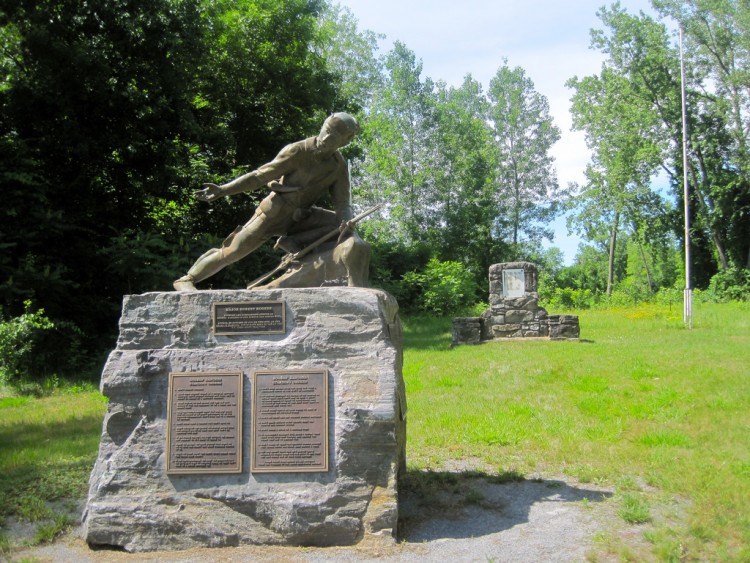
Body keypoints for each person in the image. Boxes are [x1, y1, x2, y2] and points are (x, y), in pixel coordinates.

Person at [173, 112, 360, 291]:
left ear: (345, 142)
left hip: (299, 218)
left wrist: (347, 221)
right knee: (233, 251)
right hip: (273, 212)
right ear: (322, 126)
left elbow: (342, 203)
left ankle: (295, 249)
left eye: (335, 137)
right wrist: (223, 190)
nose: (326, 139)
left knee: (339, 226)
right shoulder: (298, 150)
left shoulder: (338, 167)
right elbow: (258, 177)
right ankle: (187, 279)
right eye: (326, 131)